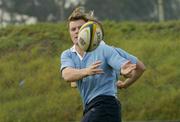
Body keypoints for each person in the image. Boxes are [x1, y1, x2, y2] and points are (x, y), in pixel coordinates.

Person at [60, 7, 145, 122]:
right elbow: (66, 75)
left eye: (80, 28)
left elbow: (130, 66)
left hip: (105, 105)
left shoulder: (103, 49)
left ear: (89, 29)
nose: (76, 31)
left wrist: (124, 74)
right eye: (73, 29)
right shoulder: (68, 54)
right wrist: (85, 72)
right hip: (91, 108)